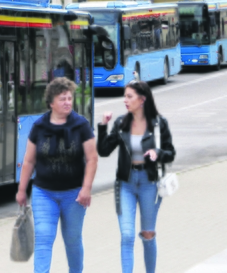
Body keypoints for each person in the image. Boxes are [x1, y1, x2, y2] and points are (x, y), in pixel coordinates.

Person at [15, 77, 98, 273]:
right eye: (63, 99)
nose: (68, 102)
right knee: (43, 237)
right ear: (51, 102)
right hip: (44, 193)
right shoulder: (39, 127)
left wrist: (86, 189)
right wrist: (21, 190)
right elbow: (29, 160)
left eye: (70, 98)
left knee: (72, 240)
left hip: (74, 194)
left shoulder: (81, 125)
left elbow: (92, 159)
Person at [98, 80, 176, 273]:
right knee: (126, 236)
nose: (125, 100)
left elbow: (171, 152)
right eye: (125, 96)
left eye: (129, 96)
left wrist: (158, 152)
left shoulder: (159, 124)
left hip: (149, 183)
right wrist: (102, 126)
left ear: (142, 100)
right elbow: (104, 150)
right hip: (126, 183)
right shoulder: (121, 124)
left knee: (148, 234)